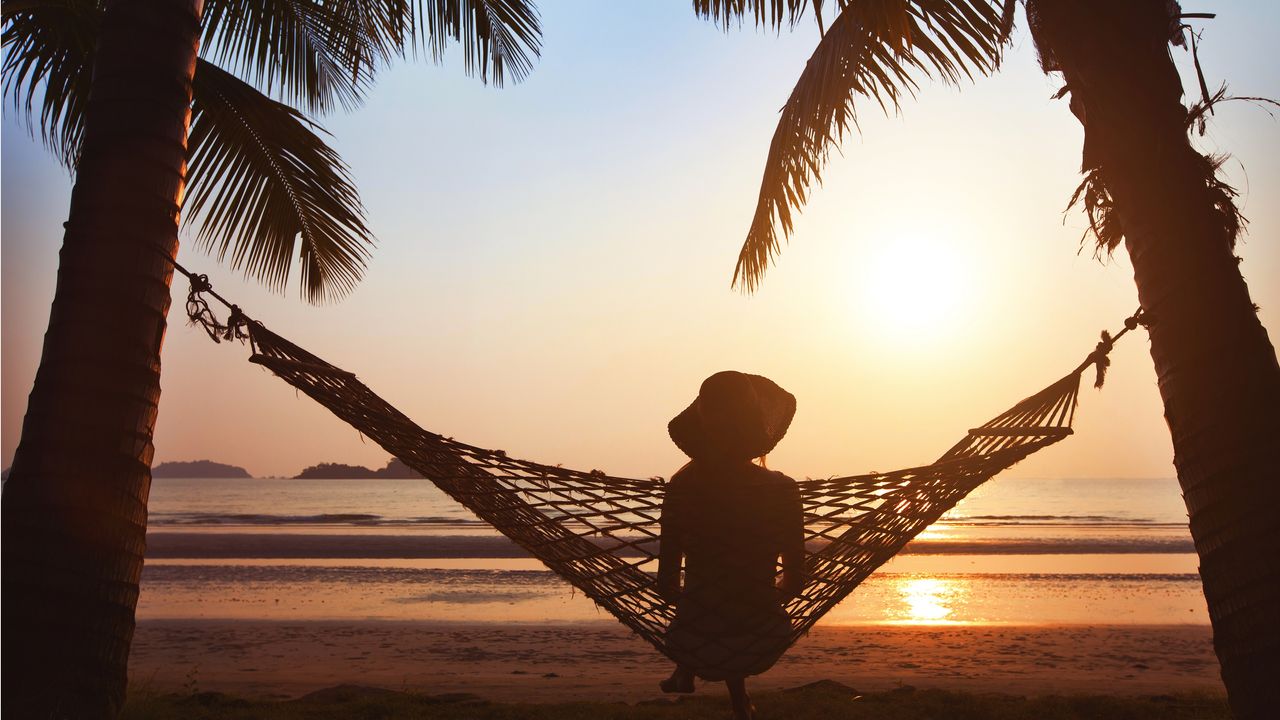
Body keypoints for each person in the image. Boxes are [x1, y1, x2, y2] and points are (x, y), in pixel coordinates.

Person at [657, 371, 805, 720]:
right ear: (756, 428)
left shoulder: (682, 491)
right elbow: (796, 580)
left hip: (691, 639)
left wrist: (704, 601)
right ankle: (737, 699)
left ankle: (686, 670)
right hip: (762, 635)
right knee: (733, 604)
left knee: (709, 603)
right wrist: (756, 598)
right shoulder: (782, 492)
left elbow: (666, 587)